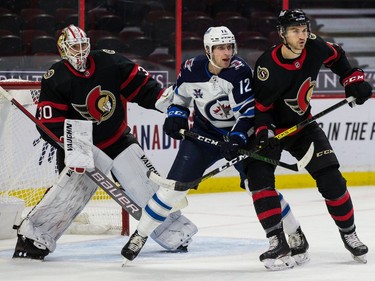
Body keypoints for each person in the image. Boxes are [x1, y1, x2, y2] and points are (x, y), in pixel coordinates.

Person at [121, 26, 309, 266]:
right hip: (203, 135)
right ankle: (140, 235)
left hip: (239, 136)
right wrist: (176, 116)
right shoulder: (191, 69)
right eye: (221, 47)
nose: (227, 52)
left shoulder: (239, 72)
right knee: (172, 189)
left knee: (259, 188)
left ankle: (295, 233)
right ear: (208, 49)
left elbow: (247, 113)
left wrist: (238, 137)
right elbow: (179, 98)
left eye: (230, 46)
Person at [12, 24, 198, 260]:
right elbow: (50, 122)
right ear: (63, 50)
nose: (80, 52)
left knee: (145, 184)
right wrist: (68, 147)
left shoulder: (108, 61)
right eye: (74, 47)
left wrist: (159, 98)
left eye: (82, 46)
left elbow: (139, 85)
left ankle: (175, 232)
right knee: (68, 195)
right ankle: (34, 239)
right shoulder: (56, 77)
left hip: (117, 137)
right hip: (81, 144)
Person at [243, 9, 372, 270]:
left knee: (332, 180)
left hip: (303, 127)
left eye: (304, 30)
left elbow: (338, 57)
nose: (301, 36)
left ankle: (349, 233)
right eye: (294, 31)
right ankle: (276, 241)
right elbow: (262, 109)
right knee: (258, 179)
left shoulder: (315, 46)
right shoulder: (267, 66)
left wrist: (352, 79)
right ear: (282, 34)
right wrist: (264, 134)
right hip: (273, 133)